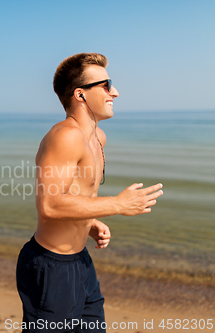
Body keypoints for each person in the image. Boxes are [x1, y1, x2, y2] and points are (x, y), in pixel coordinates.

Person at [16, 53, 164, 332]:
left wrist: (90, 220)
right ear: (80, 95)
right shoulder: (65, 136)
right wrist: (118, 204)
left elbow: (73, 193)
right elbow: (49, 205)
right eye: (106, 85)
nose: (115, 92)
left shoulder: (98, 138)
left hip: (80, 261)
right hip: (50, 266)